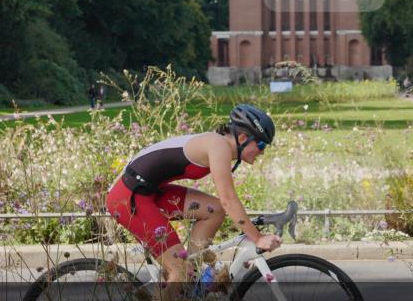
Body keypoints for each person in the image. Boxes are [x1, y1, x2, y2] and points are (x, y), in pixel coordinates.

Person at [106, 104, 282, 288]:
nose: (263, 151)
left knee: (215, 210)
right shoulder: (218, 146)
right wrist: (257, 238)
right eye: (261, 144)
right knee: (180, 272)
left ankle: (189, 281)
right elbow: (228, 198)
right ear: (243, 138)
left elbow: (223, 204)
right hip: (128, 197)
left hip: (149, 191)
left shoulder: (219, 144)